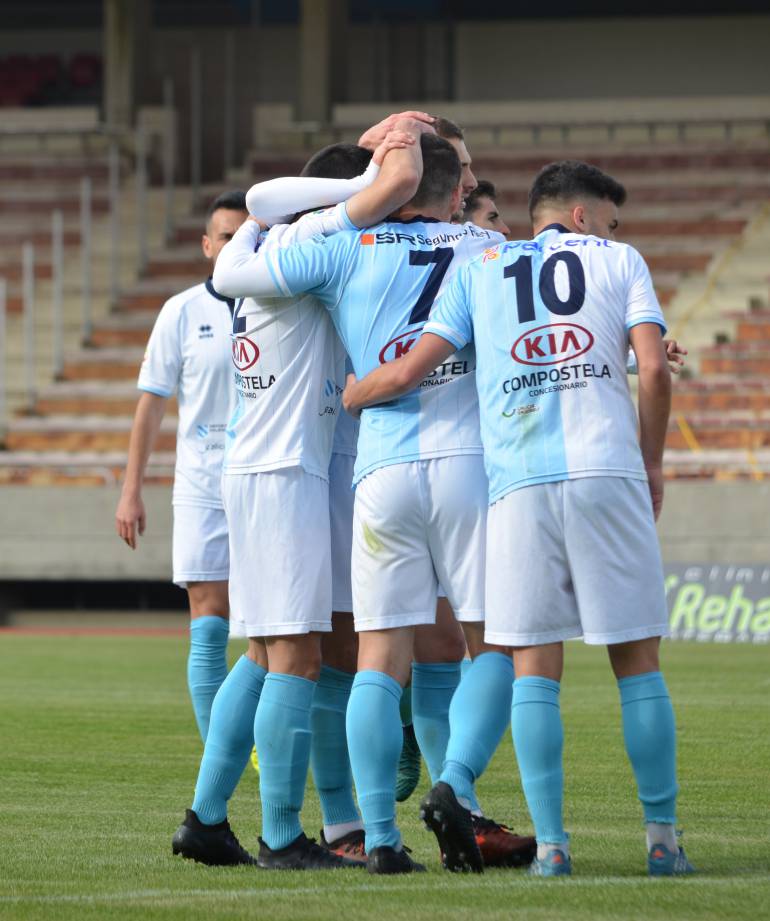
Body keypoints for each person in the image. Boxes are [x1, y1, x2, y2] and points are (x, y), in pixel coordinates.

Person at [342, 159, 696, 878]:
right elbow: (654, 370)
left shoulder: (481, 269)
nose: (613, 229)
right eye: (609, 218)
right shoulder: (620, 260)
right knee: (637, 665)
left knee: (535, 668)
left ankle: (555, 847)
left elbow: (412, 370)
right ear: (581, 217)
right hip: (606, 471)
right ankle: (661, 841)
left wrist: (355, 393)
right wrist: (652, 462)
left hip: (517, 485)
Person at [219, 132, 541, 873]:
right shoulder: (488, 248)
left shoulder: (343, 246)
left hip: (380, 470)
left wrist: (367, 181)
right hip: (467, 465)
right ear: (455, 192)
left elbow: (249, 243)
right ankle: (455, 788)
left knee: (375, 660)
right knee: (495, 644)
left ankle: (382, 840)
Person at [172, 120, 429, 871]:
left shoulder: (262, 245)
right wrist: (371, 181)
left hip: (259, 466)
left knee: (260, 651)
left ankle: (207, 816)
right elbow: (270, 195)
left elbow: (258, 208)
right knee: (298, 657)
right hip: (284, 469)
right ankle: (281, 834)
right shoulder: (317, 245)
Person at [115, 190, 248, 744]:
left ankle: (254, 740)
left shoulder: (283, 304)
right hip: (201, 484)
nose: (237, 244)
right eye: (226, 236)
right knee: (208, 622)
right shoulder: (182, 311)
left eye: (248, 235)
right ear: (206, 246)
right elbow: (152, 401)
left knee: (285, 630)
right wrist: (131, 491)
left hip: (270, 480)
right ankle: (228, 756)